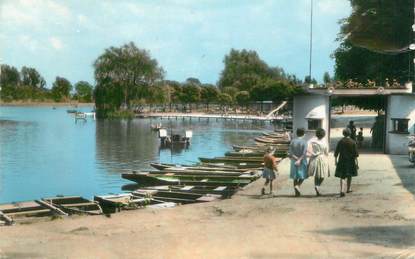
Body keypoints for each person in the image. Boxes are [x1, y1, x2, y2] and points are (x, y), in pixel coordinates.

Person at [334, 128, 359, 197]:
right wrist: (357, 163)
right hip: (351, 161)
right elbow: (356, 154)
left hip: (342, 160)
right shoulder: (353, 142)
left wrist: (335, 161)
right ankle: (348, 189)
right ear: (350, 133)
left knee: (342, 176)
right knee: (349, 175)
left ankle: (342, 190)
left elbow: (336, 152)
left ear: (343, 133)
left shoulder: (340, 141)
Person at [307, 128, 330, 196]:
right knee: (323, 174)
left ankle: (316, 186)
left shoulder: (313, 141)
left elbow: (307, 148)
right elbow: (326, 152)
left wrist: (313, 153)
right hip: (322, 157)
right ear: (324, 135)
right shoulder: (325, 142)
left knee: (316, 175)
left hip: (314, 158)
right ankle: (317, 186)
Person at [288, 128, 308, 196]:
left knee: (295, 177)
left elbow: (290, 152)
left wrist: (296, 158)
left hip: (294, 160)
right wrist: (299, 159)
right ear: (304, 134)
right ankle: (298, 186)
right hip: (302, 160)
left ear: (297, 133)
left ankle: (296, 193)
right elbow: (304, 153)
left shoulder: (292, 141)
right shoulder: (304, 142)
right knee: (303, 175)